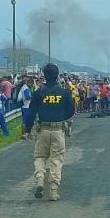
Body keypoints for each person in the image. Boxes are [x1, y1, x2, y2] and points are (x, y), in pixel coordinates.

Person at [31, 64, 75, 201]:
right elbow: (71, 111)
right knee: (56, 158)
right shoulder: (64, 93)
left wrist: (27, 129)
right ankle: (54, 190)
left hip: (43, 129)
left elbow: (31, 112)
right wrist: (61, 116)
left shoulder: (39, 93)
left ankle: (39, 179)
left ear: (44, 75)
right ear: (57, 76)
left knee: (40, 156)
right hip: (58, 130)